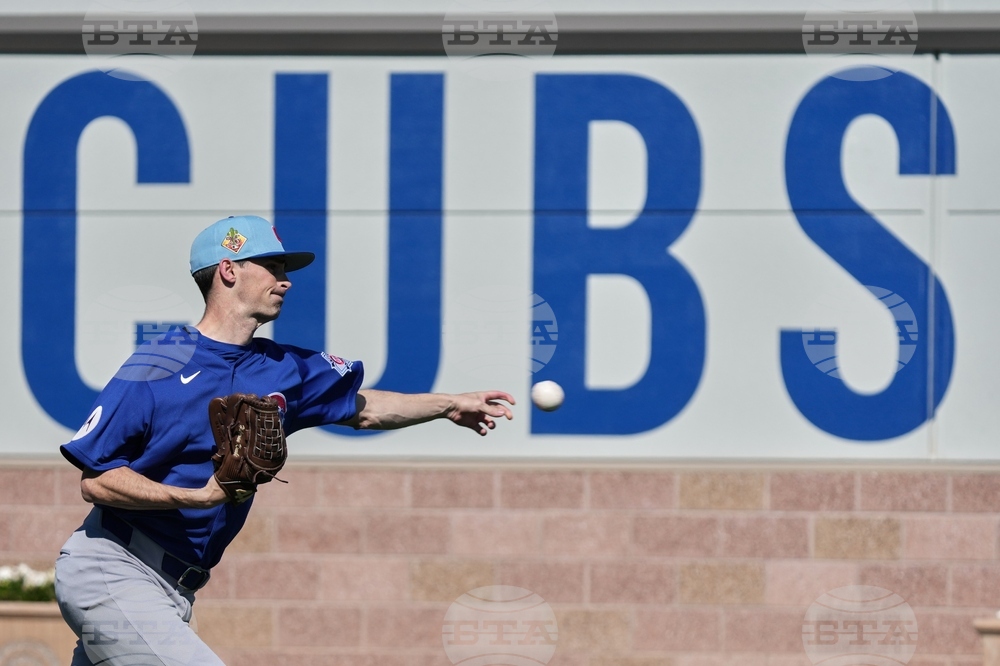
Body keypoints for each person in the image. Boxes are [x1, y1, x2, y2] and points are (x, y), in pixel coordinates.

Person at [54, 215, 515, 665]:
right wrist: (196, 497)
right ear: (228, 270)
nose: (285, 280)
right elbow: (96, 480)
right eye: (272, 267)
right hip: (113, 568)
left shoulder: (283, 369)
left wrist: (450, 404)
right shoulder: (159, 362)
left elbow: (365, 408)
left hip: (176, 589)